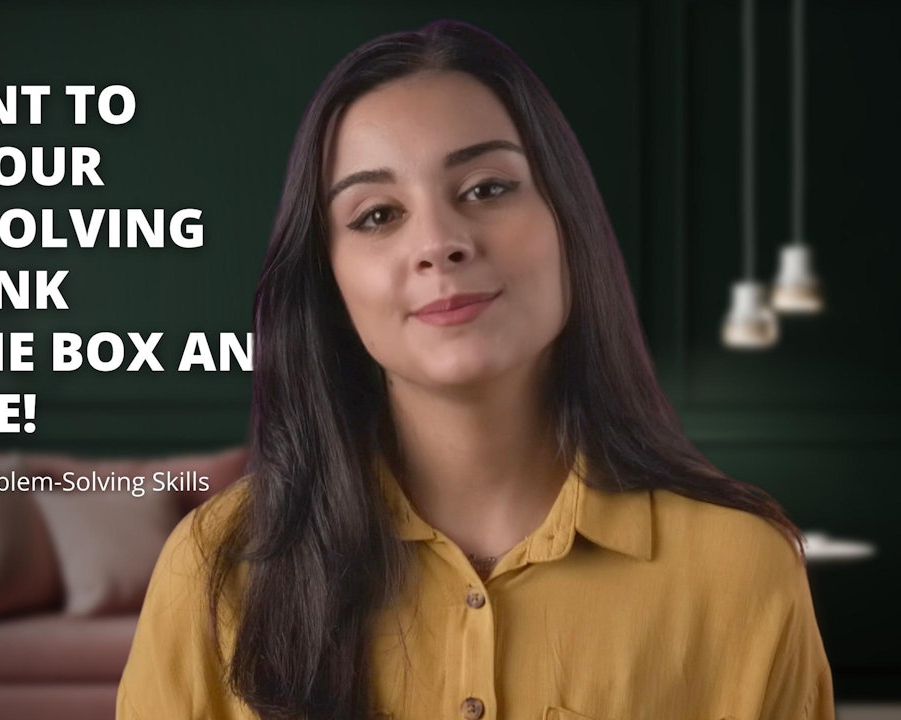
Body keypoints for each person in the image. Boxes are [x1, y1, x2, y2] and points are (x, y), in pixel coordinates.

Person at [118, 20, 832, 720]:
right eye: (376, 215)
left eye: (487, 189)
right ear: (330, 283)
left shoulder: (745, 570)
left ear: (568, 222)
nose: (439, 242)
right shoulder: (217, 569)